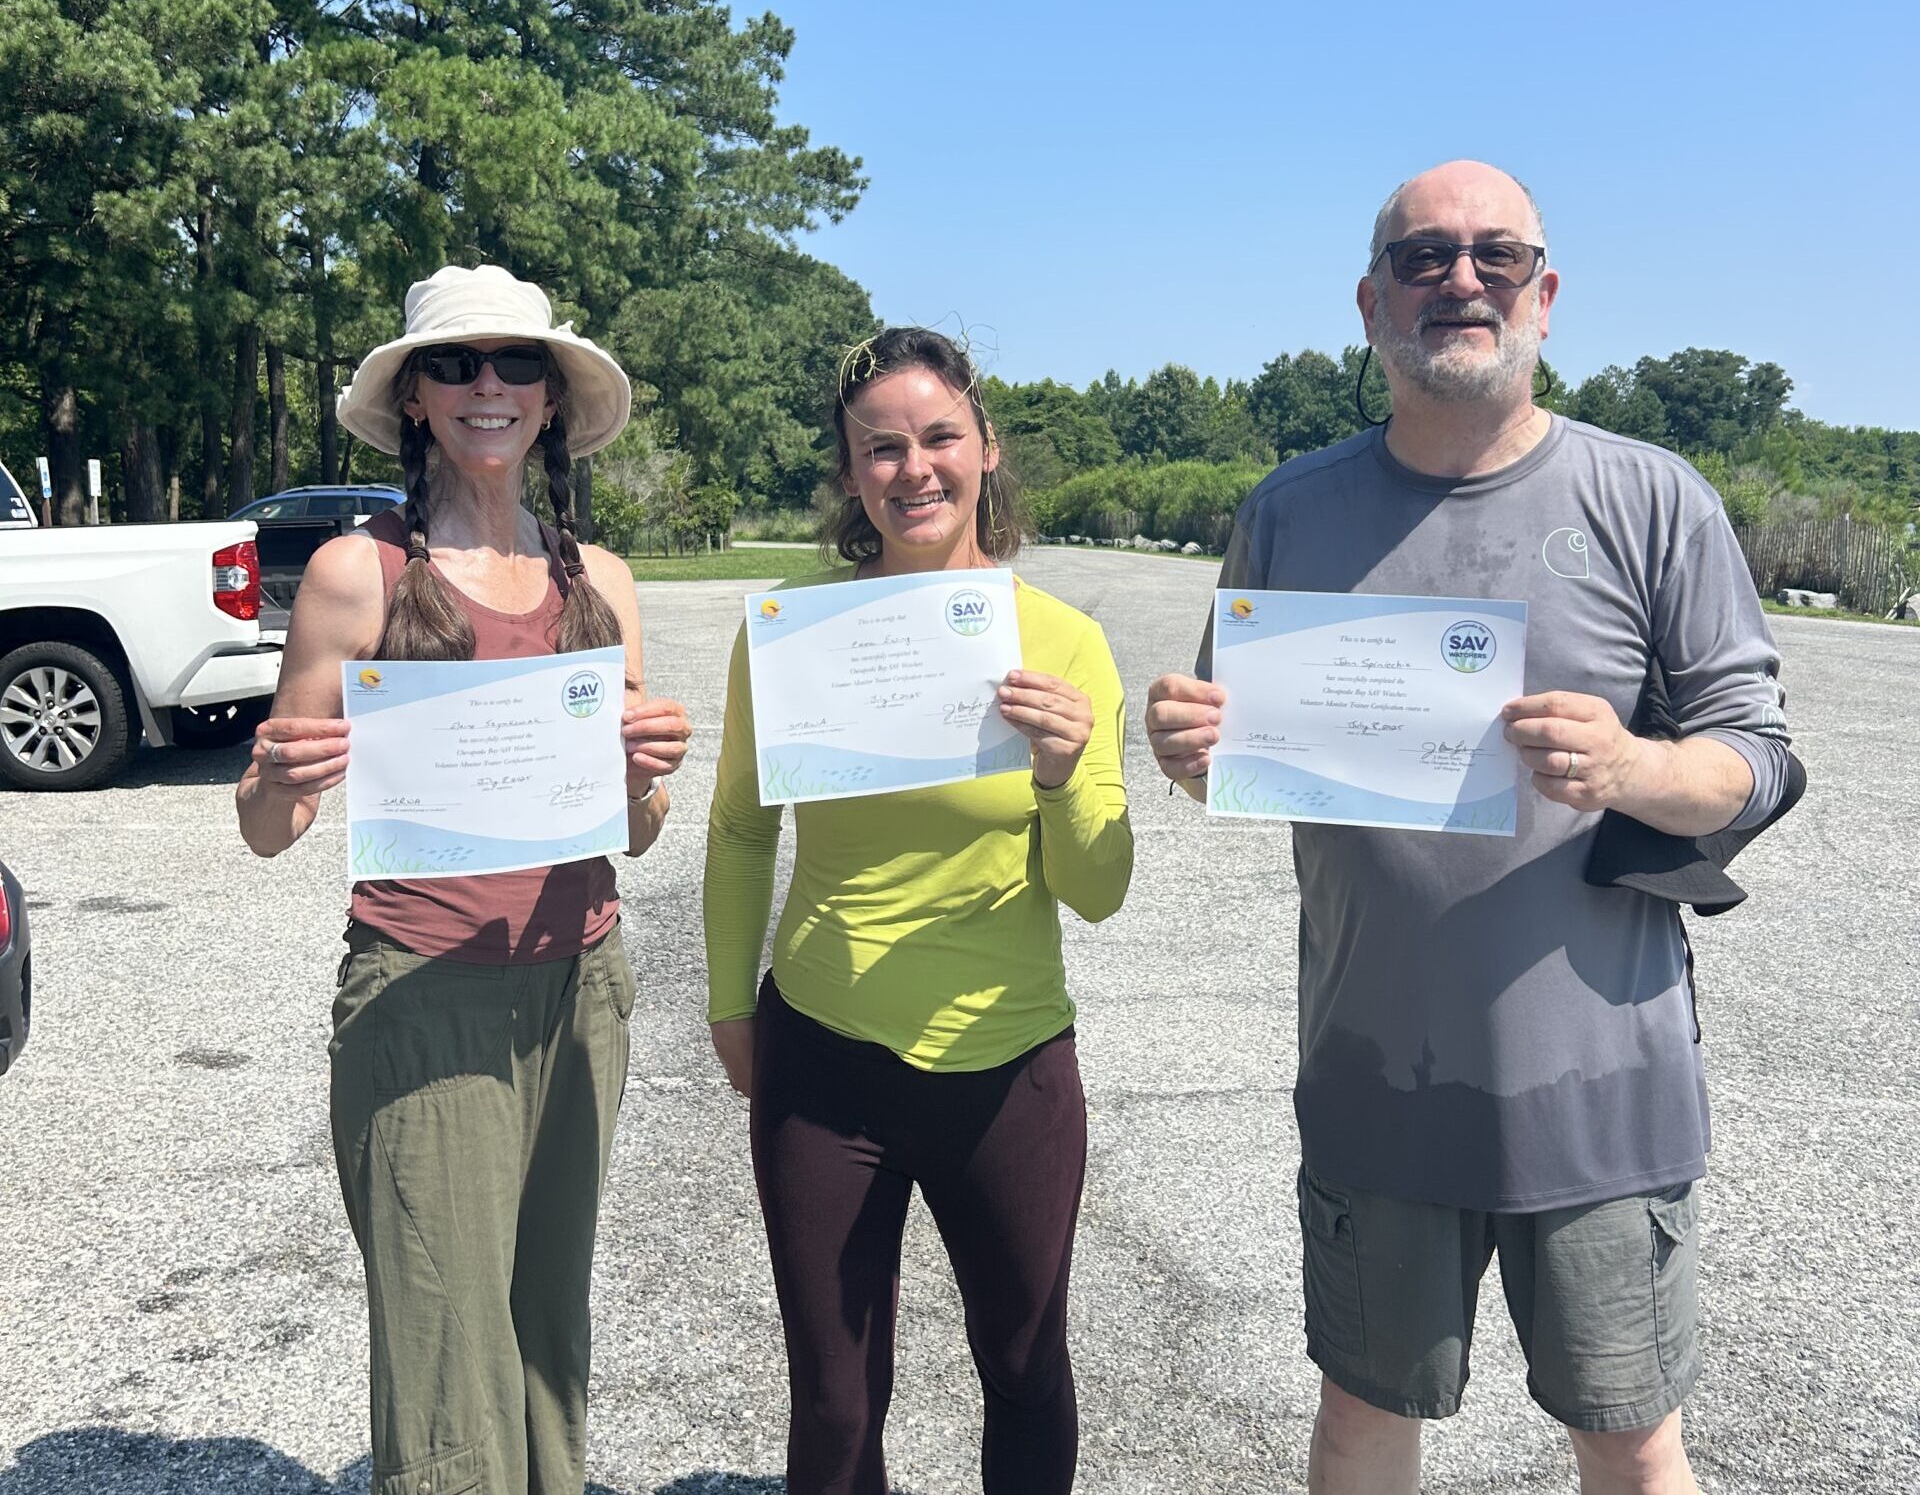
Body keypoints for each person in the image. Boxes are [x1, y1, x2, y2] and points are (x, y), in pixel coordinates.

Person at [1145, 161, 1791, 1495]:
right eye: (1425, 257)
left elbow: (1760, 758)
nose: (1461, 279)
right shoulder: (1290, 510)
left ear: (1544, 294)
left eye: (1496, 255)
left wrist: (1633, 766)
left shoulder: (1651, 497)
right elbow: (1237, 764)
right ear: (1370, 300)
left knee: (1628, 1436)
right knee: (1360, 1426)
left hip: (1601, 1090)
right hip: (1377, 1076)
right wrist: (1187, 754)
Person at [235, 263, 692, 1495]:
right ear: (416, 399)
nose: (488, 386)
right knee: (444, 1347)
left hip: (583, 986)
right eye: (456, 364)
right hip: (423, 988)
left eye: (517, 364)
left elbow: (636, 833)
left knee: (548, 1330)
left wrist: (647, 775)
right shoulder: (358, 574)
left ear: (551, 398)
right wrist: (281, 771)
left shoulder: (601, 579)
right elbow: (268, 828)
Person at [702, 327, 1134, 1495]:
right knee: (837, 1401)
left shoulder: (1065, 644)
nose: (915, 468)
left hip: (1009, 1066)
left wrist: (1060, 774)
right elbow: (744, 826)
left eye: (940, 436)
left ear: (987, 447)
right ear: (849, 475)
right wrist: (729, 1007)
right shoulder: (792, 634)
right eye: (880, 448)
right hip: (825, 1054)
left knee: (1026, 1364)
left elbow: (1098, 890)